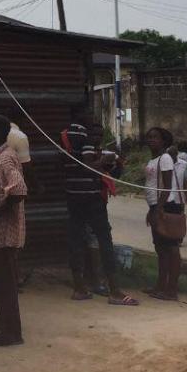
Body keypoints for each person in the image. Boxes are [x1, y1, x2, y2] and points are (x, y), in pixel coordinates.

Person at [62, 121, 137, 306]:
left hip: (81, 200)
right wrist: (102, 162)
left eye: (100, 136)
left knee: (80, 241)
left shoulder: (76, 147)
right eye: (94, 135)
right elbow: (89, 168)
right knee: (101, 242)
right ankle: (114, 291)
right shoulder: (84, 149)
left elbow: (112, 174)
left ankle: (82, 287)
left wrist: (118, 161)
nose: (97, 139)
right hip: (90, 201)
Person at [0, 115, 28, 347]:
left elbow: (19, 190)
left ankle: (11, 333)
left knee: (4, 283)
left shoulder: (6, 158)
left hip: (5, 233)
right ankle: (4, 322)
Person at [144, 127, 184, 301]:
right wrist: (151, 209)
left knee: (171, 249)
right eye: (149, 137)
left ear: (163, 140)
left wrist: (158, 209)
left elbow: (167, 187)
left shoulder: (165, 158)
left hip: (167, 207)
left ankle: (171, 289)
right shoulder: (154, 159)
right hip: (157, 206)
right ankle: (160, 285)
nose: (151, 140)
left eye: (155, 137)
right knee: (160, 249)